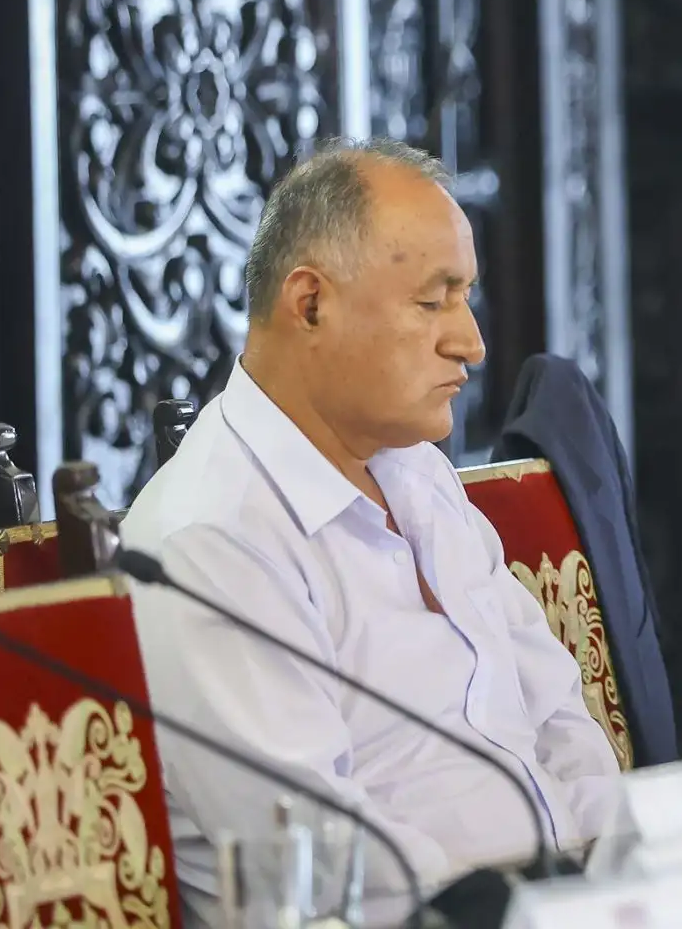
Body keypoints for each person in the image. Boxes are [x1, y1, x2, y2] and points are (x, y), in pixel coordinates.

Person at [122, 139, 620, 923]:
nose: (472, 343)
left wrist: (625, 876)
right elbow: (323, 860)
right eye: (433, 302)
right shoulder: (210, 538)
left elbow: (557, 714)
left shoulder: (414, 469)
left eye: (467, 298)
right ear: (311, 302)